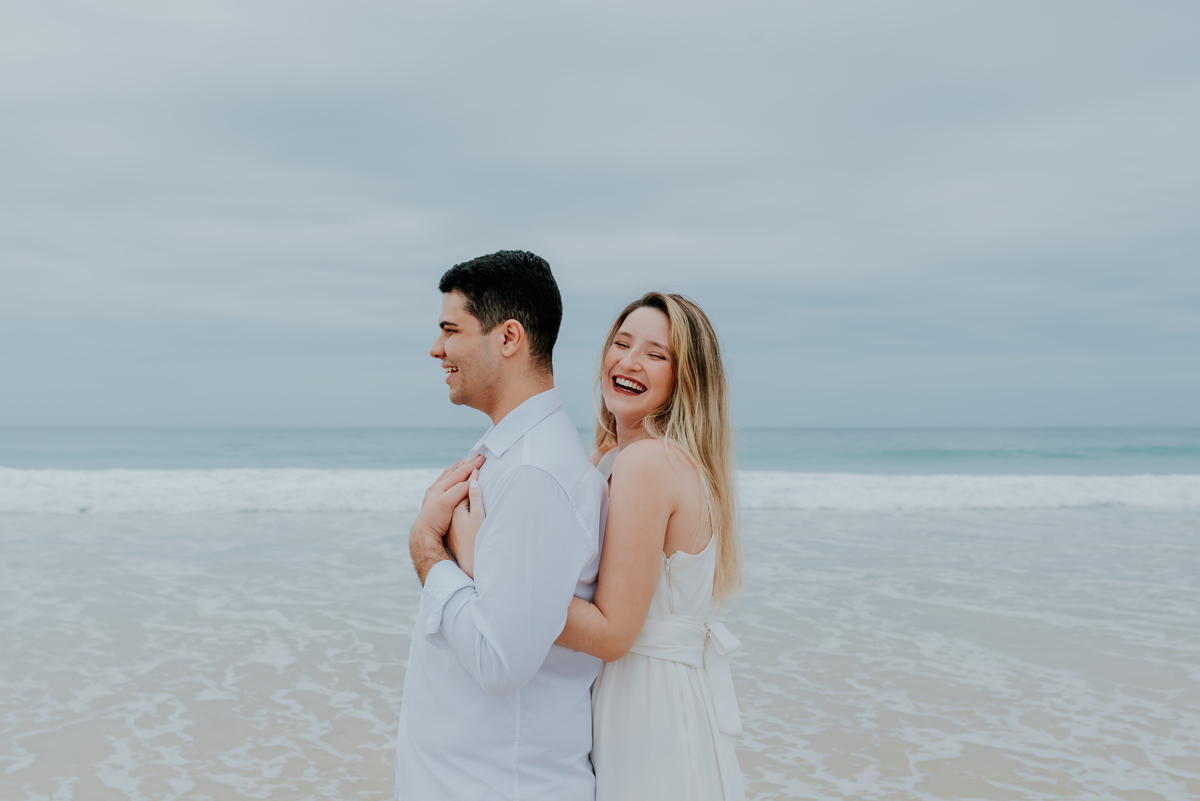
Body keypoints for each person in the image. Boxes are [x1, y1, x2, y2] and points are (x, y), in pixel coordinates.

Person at [450, 291, 746, 801]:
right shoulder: (615, 455)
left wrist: (484, 563)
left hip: (647, 706)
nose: (629, 362)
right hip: (643, 694)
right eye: (622, 342)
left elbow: (611, 634)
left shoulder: (647, 463)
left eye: (656, 354)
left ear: (685, 378)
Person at [397, 251, 608, 801]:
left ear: (508, 336)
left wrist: (428, 550)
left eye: (451, 330)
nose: (436, 348)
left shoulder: (535, 473)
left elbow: (499, 660)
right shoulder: (511, 454)